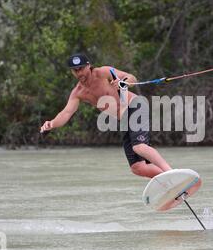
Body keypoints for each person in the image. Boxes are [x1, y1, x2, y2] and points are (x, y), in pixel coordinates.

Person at [40, 53, 172, 178]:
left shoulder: (104, 72)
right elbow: (66, 113)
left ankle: (171, 173)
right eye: (75, 70)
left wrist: (123, 82)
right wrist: (51, 124)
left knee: (139, 147)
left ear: (88, 66)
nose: (79, 73)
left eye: (81, 68)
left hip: (135, 105)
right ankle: (168, 181)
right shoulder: (78, 92)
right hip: (125, 120)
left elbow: (131, 77)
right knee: (137, 167)